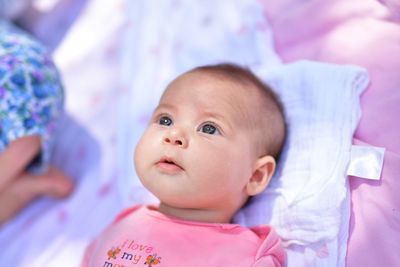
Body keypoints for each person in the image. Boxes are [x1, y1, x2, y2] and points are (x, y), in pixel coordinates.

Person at [81, 63, 287, 266]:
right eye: (165, 120)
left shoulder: (247, 256)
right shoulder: (121, 223)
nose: (173, 135)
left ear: (255, 176)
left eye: (209, 128)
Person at [0, 24, 73, 224]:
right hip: (30, 72)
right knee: (23, 139)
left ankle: (22, 186)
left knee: (23, 140)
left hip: (16, 69)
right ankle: (23, 186)